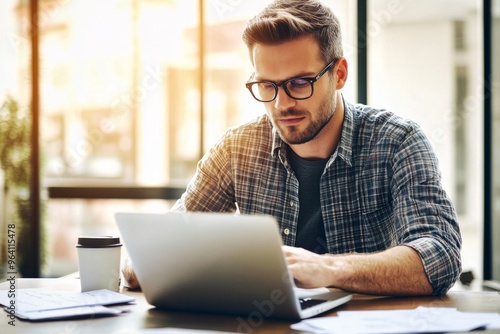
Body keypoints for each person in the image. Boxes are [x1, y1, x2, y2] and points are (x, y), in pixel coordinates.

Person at [124, 0, 461, 296]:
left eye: (299, 83)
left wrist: (330, 269)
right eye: (267, 85)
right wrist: (142, 261)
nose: (282, 104)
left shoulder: (397, 142)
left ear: (339, 74)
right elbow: (169, 238)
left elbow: (441, 255)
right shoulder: (236, 148)